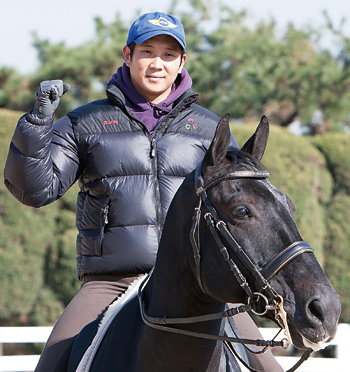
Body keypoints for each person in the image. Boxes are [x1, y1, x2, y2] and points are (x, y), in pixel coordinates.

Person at [4, 12, 282, 372]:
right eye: (148, 51)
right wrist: (36, 125)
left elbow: (241, 207)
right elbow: (33, 189)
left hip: (198, 285)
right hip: (111, 281)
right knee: (52, 363)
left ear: (182, 62)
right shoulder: (83, 122)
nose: (157, 63)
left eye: (168, 55)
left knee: (269, 368)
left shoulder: (210, 128)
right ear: (127, 55)